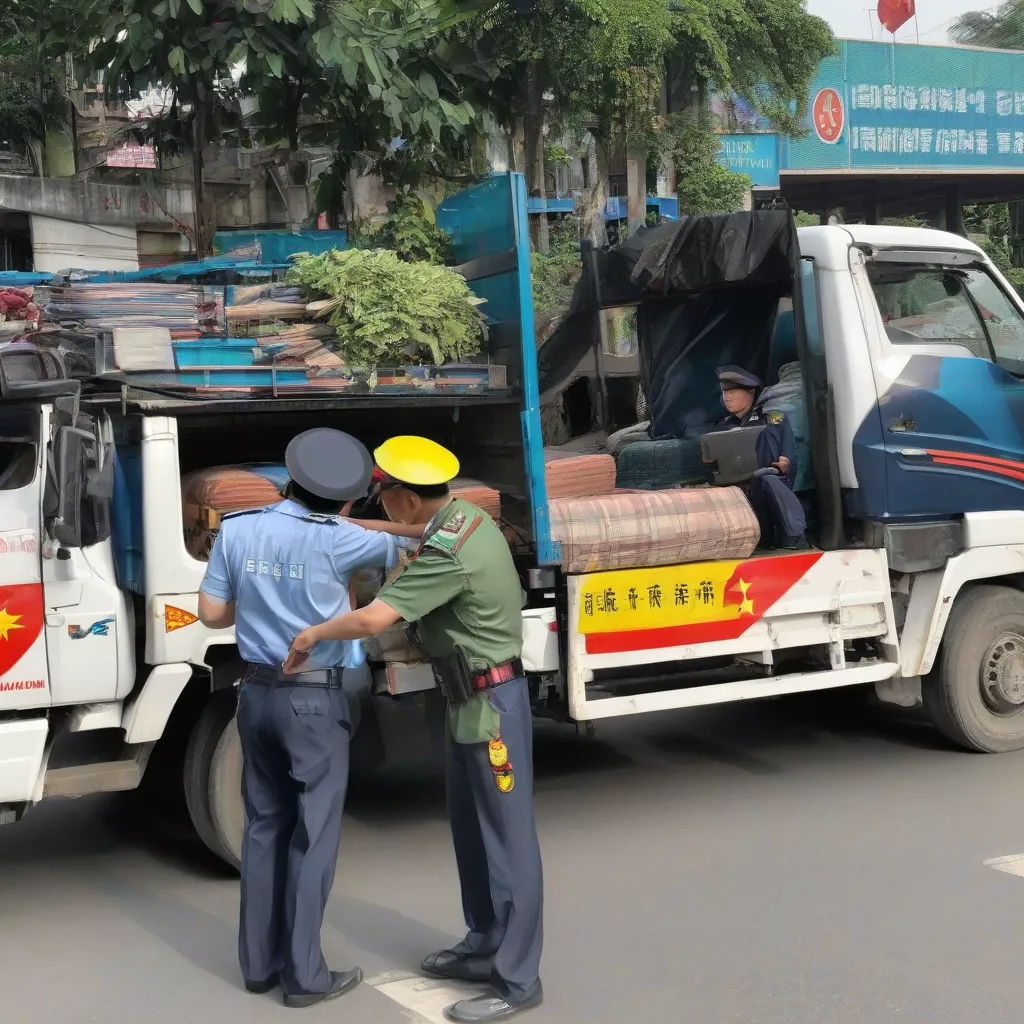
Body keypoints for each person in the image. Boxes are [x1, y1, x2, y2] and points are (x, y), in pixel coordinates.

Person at [282, 436, 544, 1024]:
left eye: (386, 496)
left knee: (507, 843)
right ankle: (483, 944)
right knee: (471, 832)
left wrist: (313, 634)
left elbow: (376, 617)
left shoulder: (446, 554)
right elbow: (414, 534)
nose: (387, 505)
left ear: (403, 496)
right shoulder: (464, 517)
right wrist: (356, 522)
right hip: (467, 698)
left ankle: (518, 979)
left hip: (490, 705)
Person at [197, 427, 408, 1009]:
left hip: (255, 694)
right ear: (345, 501)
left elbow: (212, 613)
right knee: (313, 837)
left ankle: (259, 966)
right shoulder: (347, 539)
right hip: (314, 699)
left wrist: (260, 593)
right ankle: (306, 977)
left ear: (289, 481)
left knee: (263, 828)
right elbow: (411, 553)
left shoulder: (239, 530)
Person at [709, 365, 807, 549]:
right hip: (735, 491)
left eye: (732, 391)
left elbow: (787, 460)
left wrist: (775, 467)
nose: (727, 397)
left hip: (766, 487)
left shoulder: (773, 420)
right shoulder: (722, 427)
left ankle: (796, 536)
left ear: (751, 392)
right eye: (724, 392)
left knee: (766, 478)